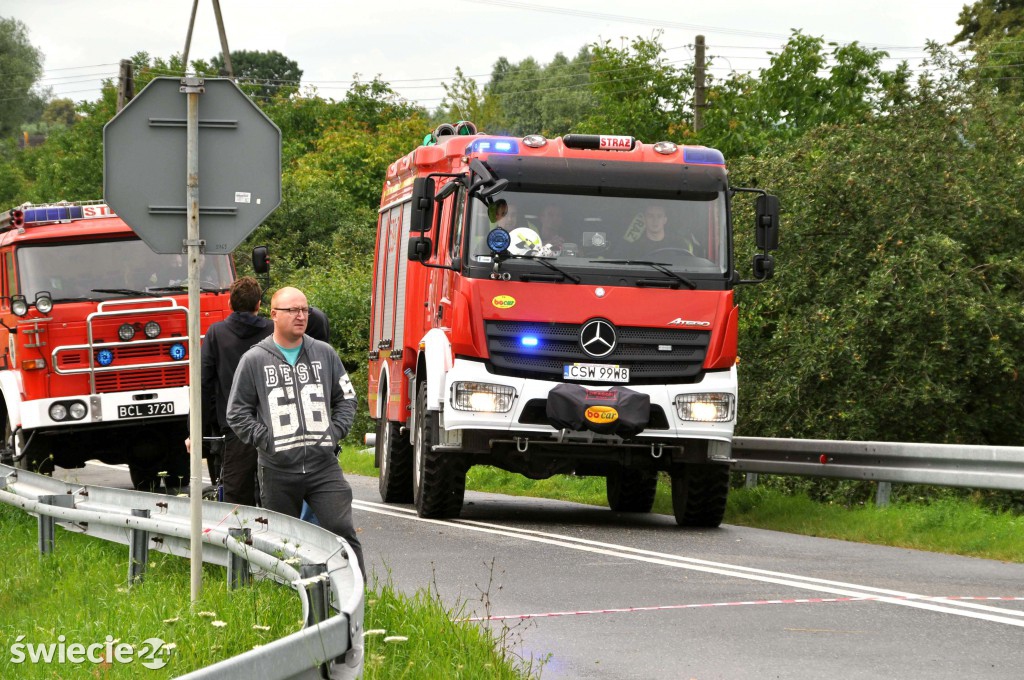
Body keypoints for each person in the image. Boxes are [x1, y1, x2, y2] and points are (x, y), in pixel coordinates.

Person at [226, 286, 365, 579]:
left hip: (322, 466)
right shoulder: (254, 360)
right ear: (273, 315)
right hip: (277, 469)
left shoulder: (324, 353)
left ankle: (356, 595)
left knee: (341, 530)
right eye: (293, 310)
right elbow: (237, 413)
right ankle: (288, 597)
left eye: (305, 310)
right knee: (283, 539)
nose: (301, 316)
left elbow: (347, 398)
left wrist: (334, 432)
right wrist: (268, 441)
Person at [200, 276, 273, 505]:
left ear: (230, 304)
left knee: (236, 493)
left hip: (234, 426)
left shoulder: (216, 333)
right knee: (275, 489)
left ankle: (240, 537)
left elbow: (204, 382)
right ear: (258, 304)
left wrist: (197, 429)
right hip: (273, 421)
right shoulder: (273, 330)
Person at [622, 203, 695, 259]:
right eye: (650, 216)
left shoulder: (679, 245)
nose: (655, 220)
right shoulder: (635, 248)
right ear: (644, 219)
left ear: (665, 220)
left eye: (659, 216)